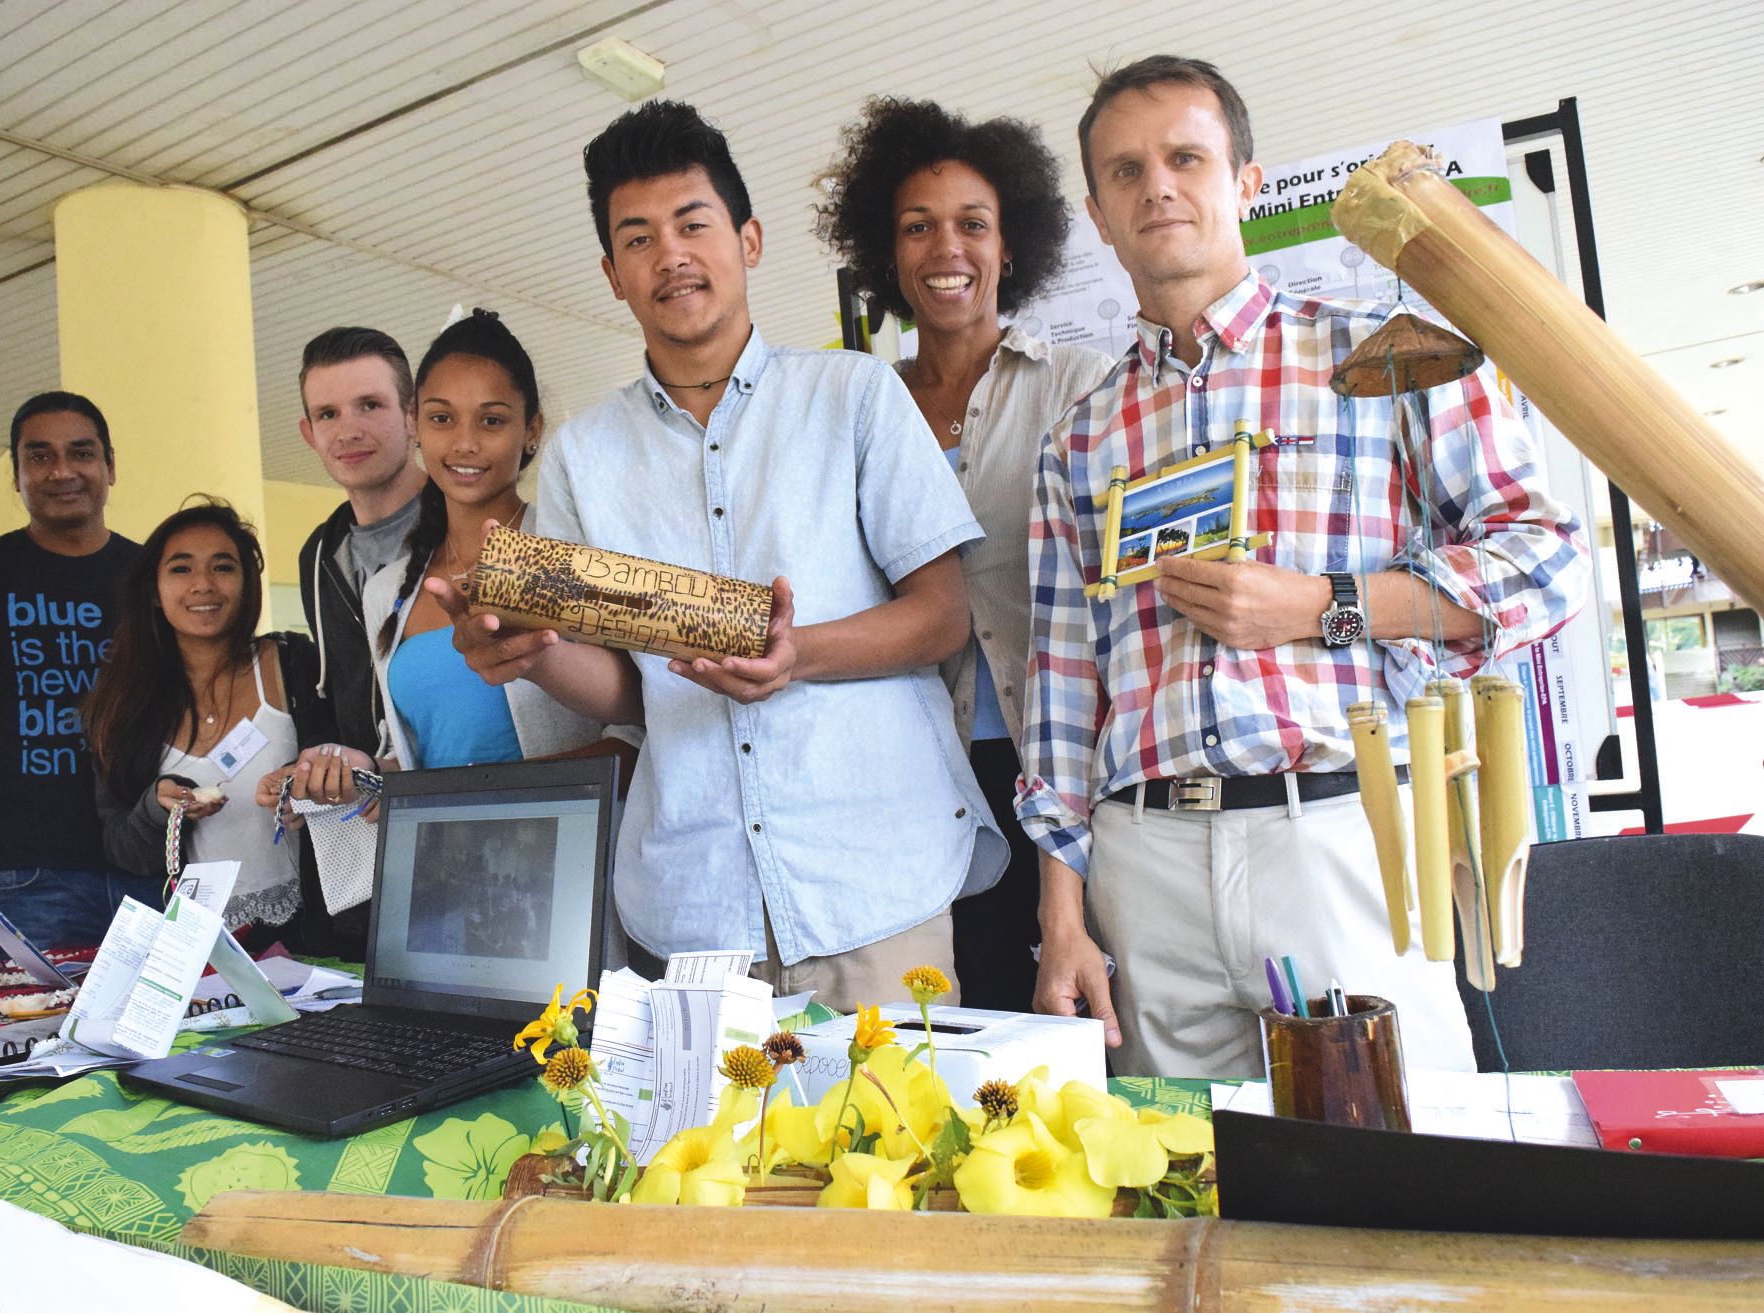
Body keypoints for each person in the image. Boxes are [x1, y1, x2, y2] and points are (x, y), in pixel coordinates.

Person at [1022, 56, 1589, 1076]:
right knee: (1194, 1183)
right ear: (1098, 217)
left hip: (1336, 823)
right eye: (1123, 171)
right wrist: (1062, 914)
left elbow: (1545, 561)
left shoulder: (1385, 355)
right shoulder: (1078, 438)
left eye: (1185, 157)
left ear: (1244, 179)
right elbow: (1064, 690)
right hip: (1143, 858)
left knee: (1402, 1168)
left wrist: (1323, 604)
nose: (1156, 185)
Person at [435, 100, 1005, 1006]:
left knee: (898, 1148)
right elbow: (634, 693)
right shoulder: (584, 454)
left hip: (872, 888)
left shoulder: (850, 394)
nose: (670, 254)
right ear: (612, 273)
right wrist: (533, 654)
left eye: (692, 224)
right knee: (707, 1153)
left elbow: (940, 617)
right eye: (638, 238)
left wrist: (794, 654)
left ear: (748, 238)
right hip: (695, 913)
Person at [816, 98, 1109, 1012]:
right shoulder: (854, 410)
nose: (946, 248)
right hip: (920, 781)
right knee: (968, 1019)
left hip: (1068, 765)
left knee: (1089, 1018)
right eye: (917, 227)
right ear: (884, 252)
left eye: (971, 224)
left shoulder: (1081, 384)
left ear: (1010, 244)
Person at [282, 313, 636, 791]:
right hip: (438, 856)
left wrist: (496, 790)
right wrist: (356, 770)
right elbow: (412, 758)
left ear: (532, 429)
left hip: (567, 849)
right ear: (415, 424)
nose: (465, 443)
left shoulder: (573, 554)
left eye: (491, 420)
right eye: (442, 418)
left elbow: (640, 727)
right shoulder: (387, 589)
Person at [0, 391, 145, 951]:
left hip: (151, 870)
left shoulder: (152, 577)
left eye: (82, 453)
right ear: (16, 476)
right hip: (27, 882)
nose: (62, 471)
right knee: (32, 1039)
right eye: (39, 457)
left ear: (110, 467)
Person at [83, 500, 333, 940]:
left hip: (312, 937)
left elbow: (354, 776)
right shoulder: (123, 699)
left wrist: (308, 786)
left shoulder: (294, 664)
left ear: (246, 583)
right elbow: (119, 845)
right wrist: (155, 810)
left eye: (223, 567)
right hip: (192, 953)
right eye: (181, 569)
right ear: (154, 592)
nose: (203, 585)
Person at [296, 327, 428, 755]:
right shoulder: (317, 556)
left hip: (474, 796)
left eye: (369, 405)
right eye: (327, 414)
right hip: (374, 812)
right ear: (308, 433)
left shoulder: (474, 527)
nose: (347, 431)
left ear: (414, 415)